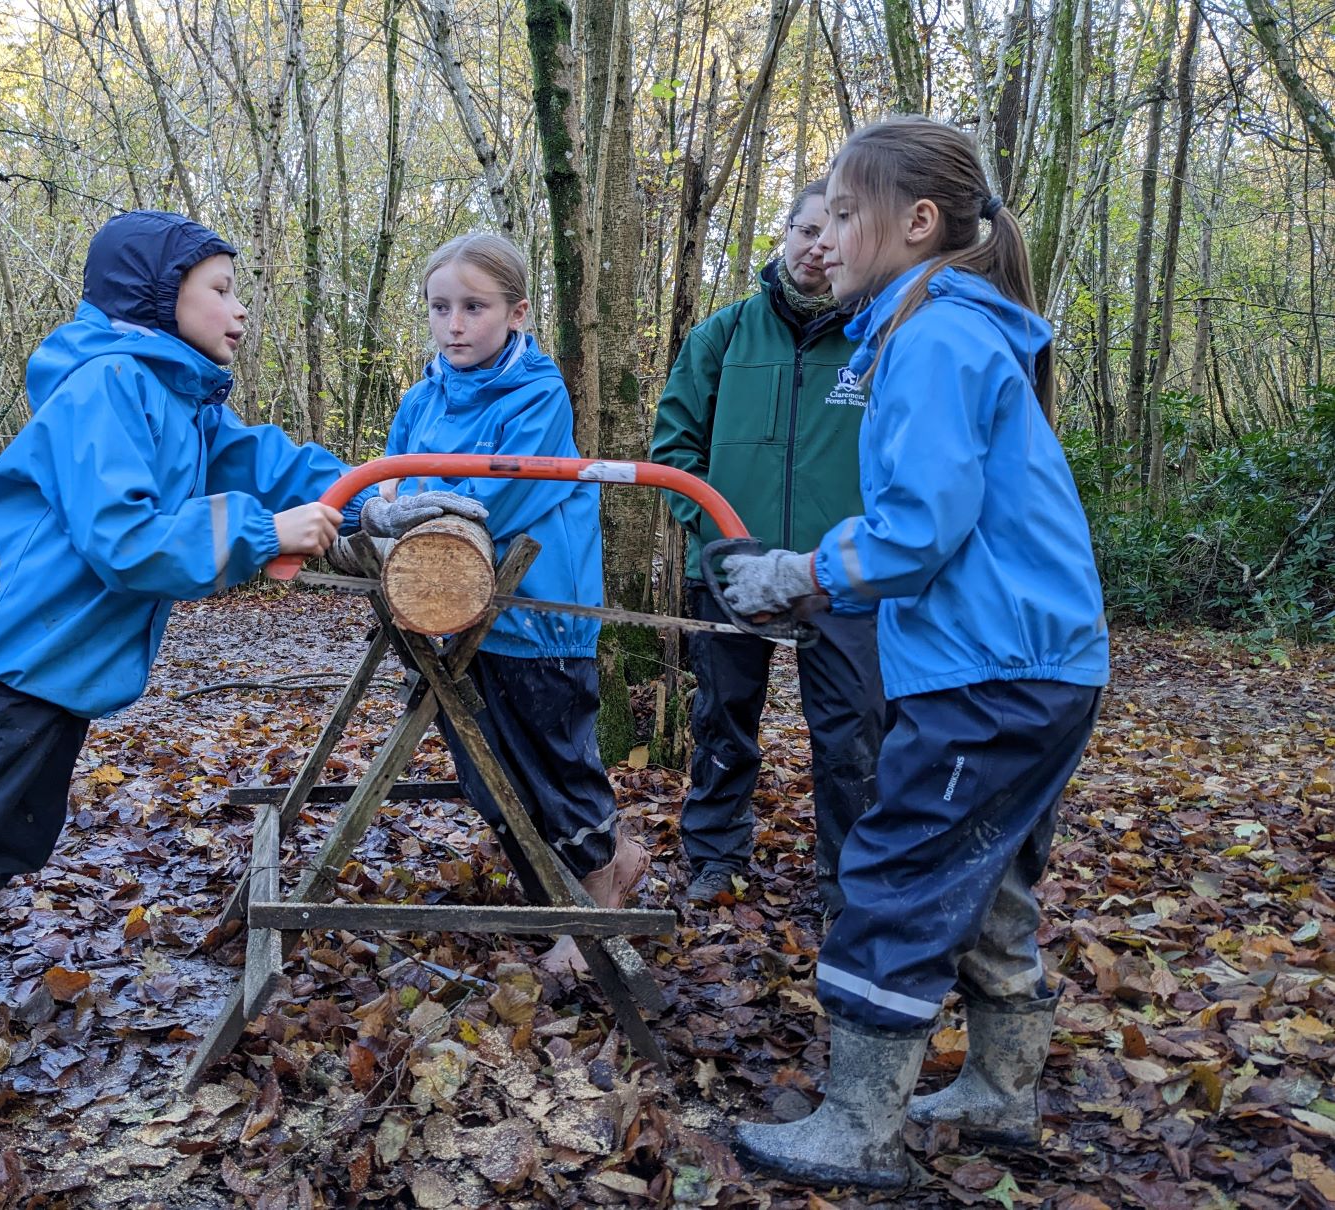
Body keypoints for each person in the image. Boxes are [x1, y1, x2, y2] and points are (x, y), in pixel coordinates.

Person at [0, 210, 476, 1167]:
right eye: (220, 289)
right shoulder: (108, 384)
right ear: (160, 298)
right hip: (4, 665)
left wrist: (371, 495)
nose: (239, 311)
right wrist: (263, 533)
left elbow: (272, 463)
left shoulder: (183, 398)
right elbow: (126, 537)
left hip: (54, 672)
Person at [726, 118, 1108, 1190]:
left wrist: (799, 573)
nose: (826, 235)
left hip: (992, 668)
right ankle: (999, 1088)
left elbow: (917, 526)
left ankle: (857, 1124)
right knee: (985, 874)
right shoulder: (946, 327)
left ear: (916, 223)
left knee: (895, 869)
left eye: (845, 214)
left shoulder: (931, 337)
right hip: (1035, 660)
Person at [383, 232, 646, 974]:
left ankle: (597, 897)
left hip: (536, 611)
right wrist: (386, 509)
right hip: (448, 612)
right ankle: (580, 877)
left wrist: (417, 509)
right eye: (440, 307)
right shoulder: (421, 396)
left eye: (474, 306)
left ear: (517, 312)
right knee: (483, 765)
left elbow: (496, 501)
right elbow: (391, 485)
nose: (454, 324)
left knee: (556, 763)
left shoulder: (537, 392)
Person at [651, 177, 886, 910]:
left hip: (840, 576)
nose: (818, 246)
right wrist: (723, 541)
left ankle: (846, 884)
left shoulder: (877, 343)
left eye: (834, 231)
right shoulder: (720, 336)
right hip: (730, 574)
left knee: (852, 735)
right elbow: (671, 455)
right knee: (721, 721)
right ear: (783, 237)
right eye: (804, 230)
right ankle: (715, 860)